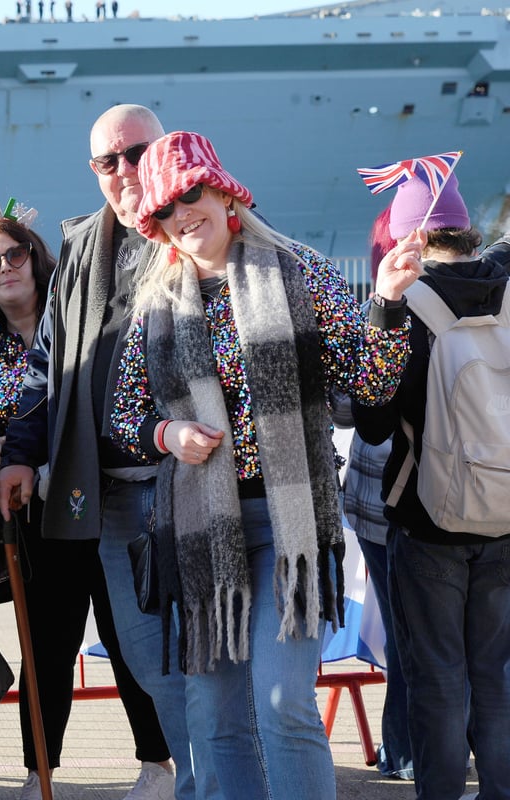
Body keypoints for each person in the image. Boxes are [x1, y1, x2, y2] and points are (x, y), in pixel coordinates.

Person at [108, 130, 416, 799]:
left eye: (191, 194)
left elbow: (370, 382)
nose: (182, 213)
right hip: (201, 531)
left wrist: (389, 303)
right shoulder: (156, 303)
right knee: (216, 720)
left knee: (283, 703)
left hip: (290, 527)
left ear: (224, 194)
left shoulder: (299, 272)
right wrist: (166, 433)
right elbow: (123, 418)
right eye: (164, 208)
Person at [0, 104, 190, 800]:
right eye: (109, 160)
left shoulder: (192, 227)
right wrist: (20, 454)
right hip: (101, 488)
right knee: (140, 653)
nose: (124, 170)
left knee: (192, 652)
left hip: (187, 481)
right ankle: (190, 773)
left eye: (137, 153)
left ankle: (192, 774)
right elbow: (46, 366)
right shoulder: (81, 249)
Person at [353, 174, 510, 800]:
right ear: (467, 229)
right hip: (506, 515)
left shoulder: (409, 303)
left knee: (438, 678)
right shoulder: (505, 290)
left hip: (428, 519)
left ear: (407, 237)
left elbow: (372, 425)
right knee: (497, 677)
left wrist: (383, 310)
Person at [333, 205, 414, 782]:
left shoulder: (376, 314)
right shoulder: (490, 303)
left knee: (406, 636)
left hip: (378, 505)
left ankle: (405, 751)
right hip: (472, 497)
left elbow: (349, 413)